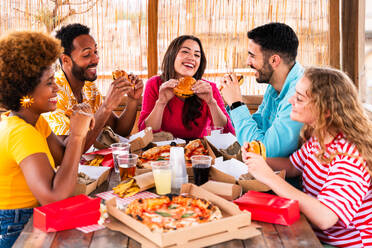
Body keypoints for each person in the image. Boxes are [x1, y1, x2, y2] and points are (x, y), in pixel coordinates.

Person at [242, 67, 372, 248]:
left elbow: (325, 217)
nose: (290, 100)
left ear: (326, 110)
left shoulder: (350, 157)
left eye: (300, 98)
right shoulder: (320, 137)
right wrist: (257, 159)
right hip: (313, 235)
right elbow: (292, 165)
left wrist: (268, 177)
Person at [0, 31, 94, 247]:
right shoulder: (21, 133)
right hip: (15, 229)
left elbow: (62, 156)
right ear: (25, 91)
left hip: (30, 219)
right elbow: (53, 198)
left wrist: (78, 125)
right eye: (50, 82)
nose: (58, 88)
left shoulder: (33, 121)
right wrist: (78, 134)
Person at [42, 23, 143, 151]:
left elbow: (118, 130)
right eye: (86, 55)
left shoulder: (89, 87)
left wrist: (132, 100)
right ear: (66, 60)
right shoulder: (53, 94)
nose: (96, 59)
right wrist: (106, 107)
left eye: (95, 51)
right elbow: (67, 152)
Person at [221, 22, 303, 157]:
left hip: (285, 176)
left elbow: (265, 150)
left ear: (274, 60)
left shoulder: (298, 95)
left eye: (252, 55)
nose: (247, 62)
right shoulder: (274, 85)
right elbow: (257, 126)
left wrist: (237, 104)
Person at [138, 35, 235, 139]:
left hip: (197, 152)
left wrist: (211, 102)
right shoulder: (154, 84)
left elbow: (229, 134)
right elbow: (144, 134)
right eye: (185, 51)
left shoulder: (209, 88)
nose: (192, 58)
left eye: (197, 55)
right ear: (172, 55)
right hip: (161, 152)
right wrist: (161, 102)